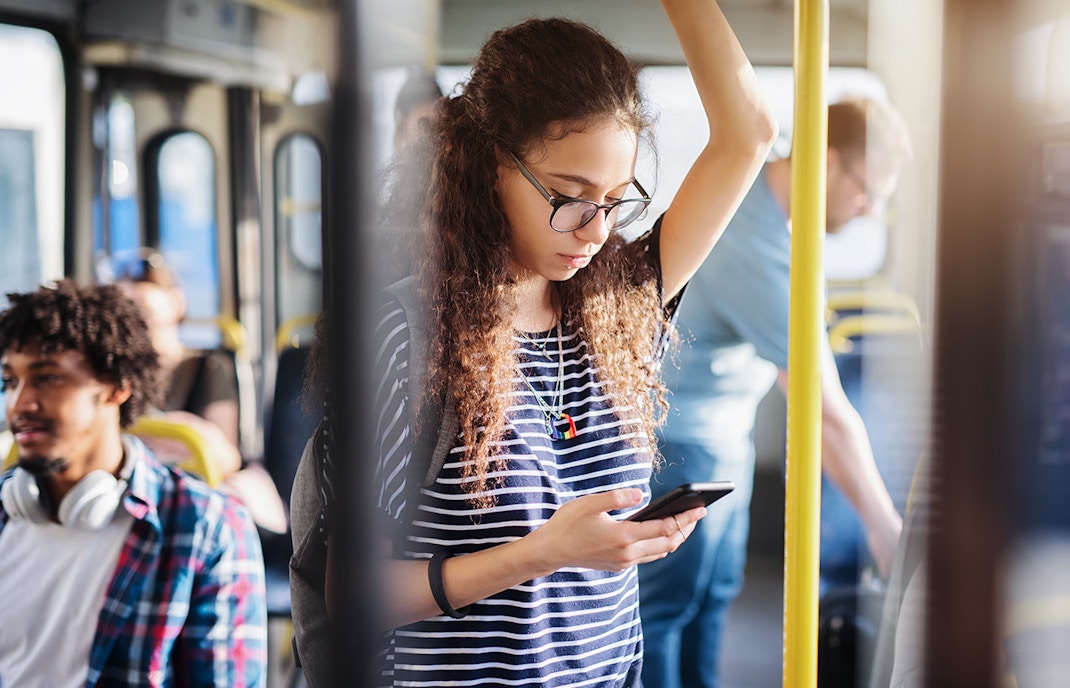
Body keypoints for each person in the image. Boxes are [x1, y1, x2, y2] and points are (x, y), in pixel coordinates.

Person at [292, 1, 778, 685]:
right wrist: (544, 553)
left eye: (614, 200)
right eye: (568, 195)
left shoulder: (618, 305)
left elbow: (748, 133)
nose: (595, 230)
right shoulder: (409, 335)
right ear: (492, 164)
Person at [637, 97, 914, 688]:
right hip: (679, 441)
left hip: (721, 437)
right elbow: (823, 409)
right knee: (664, 611)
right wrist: (882, 525)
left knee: (711, 601)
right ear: (829, 162)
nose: (870, 210)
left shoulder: (780, 224)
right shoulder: (751, 237)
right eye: (868, 191)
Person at [0, 279, 267, 686]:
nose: (19, 404)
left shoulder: (205, 527)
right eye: (10, 382)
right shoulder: (6, 510)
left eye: (48, 378)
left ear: (117, 386)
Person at [111, 250, 287, 534]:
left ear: (177, 304)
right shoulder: (115, 376)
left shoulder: (207, 368)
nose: (135, 321)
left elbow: (225, 456)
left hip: (194, 488)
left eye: (143, 309)